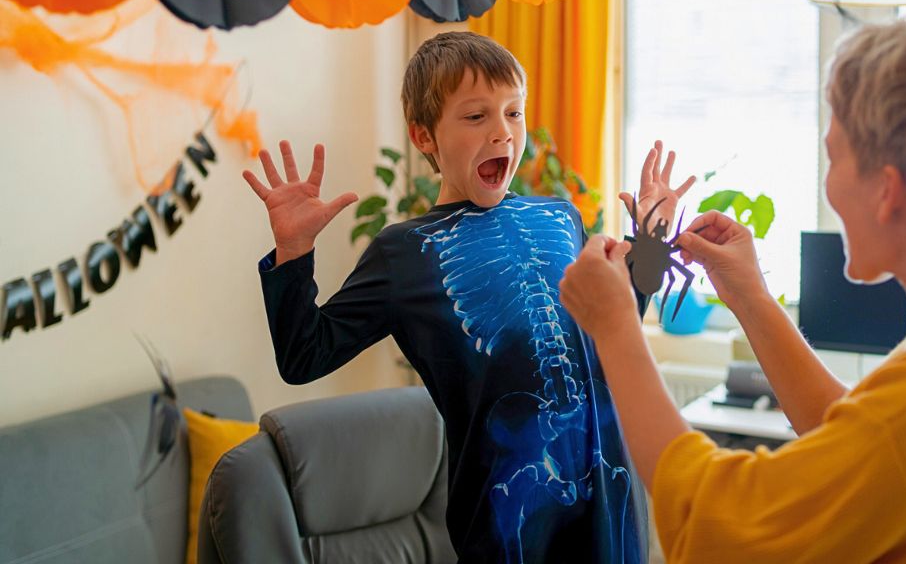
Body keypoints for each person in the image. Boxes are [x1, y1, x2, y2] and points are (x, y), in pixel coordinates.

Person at [560, 15, 906, 563]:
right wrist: (751, 298)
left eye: (834, 156)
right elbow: (861, 437)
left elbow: (722, 523)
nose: (828, 182)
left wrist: (615, 327)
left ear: (888, 190)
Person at [243, 31, 691, 563]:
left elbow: (614, 329)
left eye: (513, 113)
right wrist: (293, 253)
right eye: (476, 117)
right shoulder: (401, 252)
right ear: (424, 136)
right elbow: (304, 356)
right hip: (506, 526)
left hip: (613, 514)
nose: (503, 133)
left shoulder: (561, 217)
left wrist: (652, 240)